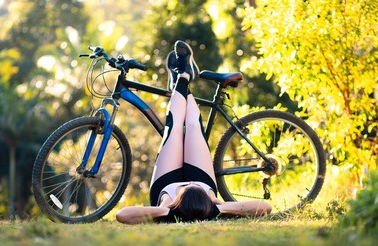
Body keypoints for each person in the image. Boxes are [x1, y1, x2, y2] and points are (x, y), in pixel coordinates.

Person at [116, 40, 271, 224]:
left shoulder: (166, 209)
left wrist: (166, 210)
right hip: (204, 183)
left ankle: (181, 80)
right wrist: (218, 208)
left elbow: (122, 215)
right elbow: (265, 208)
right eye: (192, 185)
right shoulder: (211, 206)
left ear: (177, 202)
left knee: (173, 129)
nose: (188, 182)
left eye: (187, 187)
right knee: (192, 126)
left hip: (165, 185)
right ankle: (184, 78)